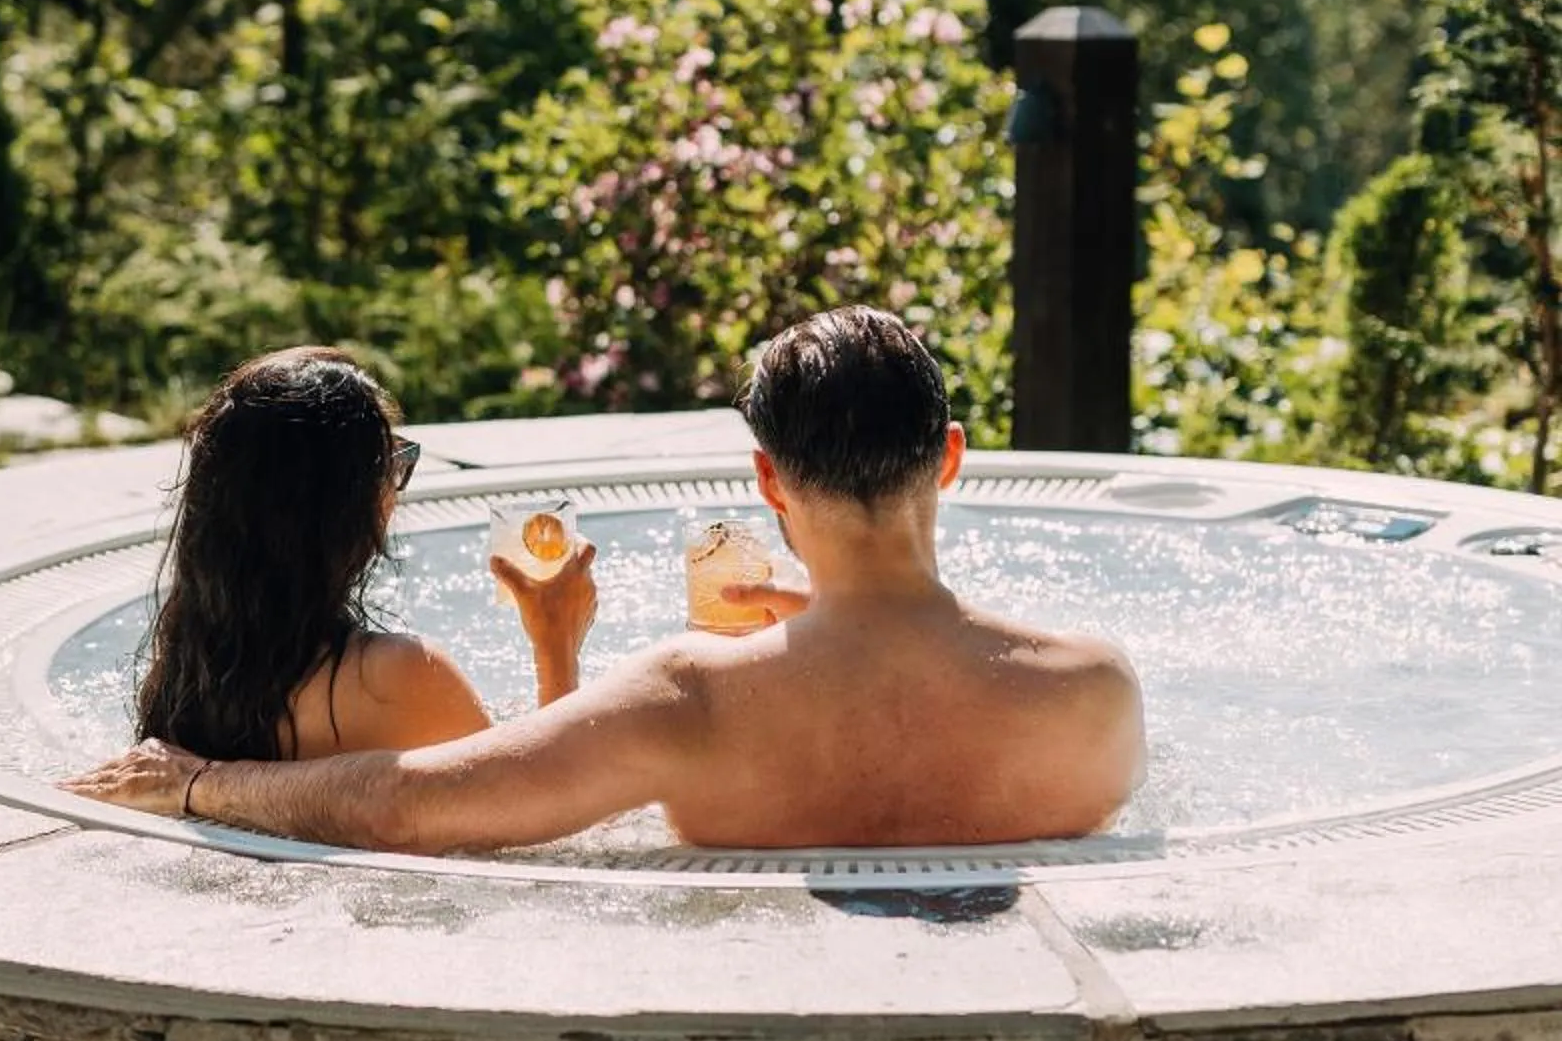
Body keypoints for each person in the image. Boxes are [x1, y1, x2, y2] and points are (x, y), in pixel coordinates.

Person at [65, 306, 1144, 850]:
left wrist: (199, 785)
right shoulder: (1092, 689)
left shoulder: (693, 695)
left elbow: (409, 803)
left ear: (766, 479)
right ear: (950, 458)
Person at [111, 346, 570, 783]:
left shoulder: (188, 665)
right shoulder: (400, 677)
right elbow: (544, 801)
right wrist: (555, 644)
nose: (394, 490)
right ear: (342, 508)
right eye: (391, 464)